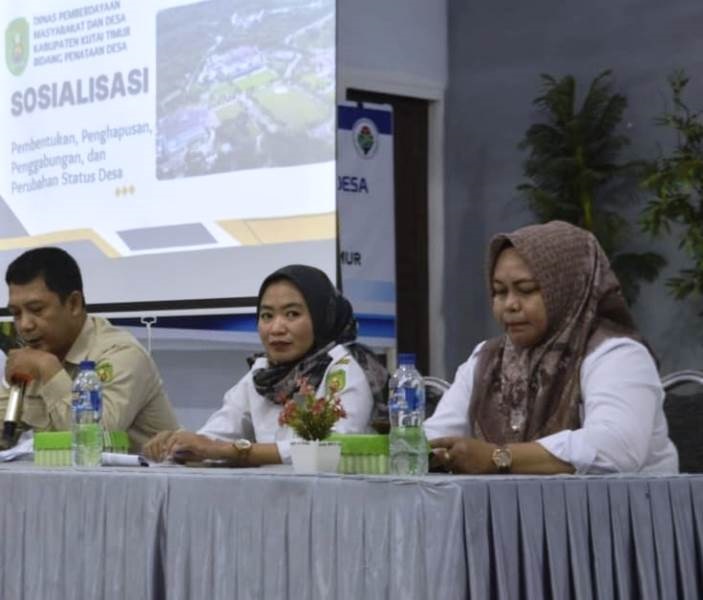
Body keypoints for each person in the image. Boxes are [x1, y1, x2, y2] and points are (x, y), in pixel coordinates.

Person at [424, 220, 678, 475]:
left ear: (567, 290)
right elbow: (436, 436)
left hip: (627, 502)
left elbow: (616, 449)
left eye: (526, 290)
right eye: (499, 292)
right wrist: (417, 450)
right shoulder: (487, 360)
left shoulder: (616, 354)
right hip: (515, 503)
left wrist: (498, 457)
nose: (510, 304)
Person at [144, 264, 387, 465]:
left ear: (322, 317)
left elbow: (332, 449)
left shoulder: (346, 365)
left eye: (292, 314)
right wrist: (180, 445)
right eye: (267, 316)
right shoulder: (263, 374)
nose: (276, 328)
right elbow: (218, 434)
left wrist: (232, 451)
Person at [1, 247, 178, 452]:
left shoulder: (121, 353)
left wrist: (49, 369)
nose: (24, 325)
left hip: (147, 472)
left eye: (36, 310)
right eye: (16, 313)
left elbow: (92, 440)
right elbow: (4, 432)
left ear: (74, 304)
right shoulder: (32, 358)